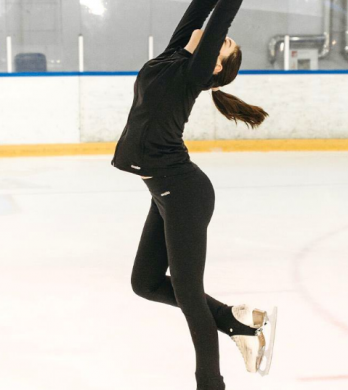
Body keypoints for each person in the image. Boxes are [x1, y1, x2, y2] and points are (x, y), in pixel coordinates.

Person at [110, 0, 276, 388]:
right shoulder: (174, 56)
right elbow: (201, 9)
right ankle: (234, 321)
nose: (221, 38)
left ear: (215, 67)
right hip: (165, 191)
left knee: (188, 295)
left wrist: (221, 24)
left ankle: (210, 383)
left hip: (184, 191)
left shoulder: (194, 71)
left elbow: (220, 15)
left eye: (224, 43)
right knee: (145, 283)